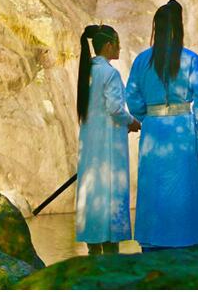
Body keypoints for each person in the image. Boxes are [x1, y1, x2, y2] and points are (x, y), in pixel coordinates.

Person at [125, 0, 198, 252]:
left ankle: (153, 248)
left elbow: (132, 99)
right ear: (178, 27)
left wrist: (148, 116)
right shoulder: (190, 60)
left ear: (156, 27)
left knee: (154, 191)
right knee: (184, 190)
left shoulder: (142, 61)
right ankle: (188, 249)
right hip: (182, 132)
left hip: (153, 133)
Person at [75, 24, 140, 255]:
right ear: (109, 45)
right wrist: (132, 121)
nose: (119, 48)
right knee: (110, 194)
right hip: (109, 149)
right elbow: (115, 109)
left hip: (90, 147)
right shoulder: (110, 73)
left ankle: (93, 254)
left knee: (92, 193)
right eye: (118, 44)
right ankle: (112, 259)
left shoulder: (87, 72)